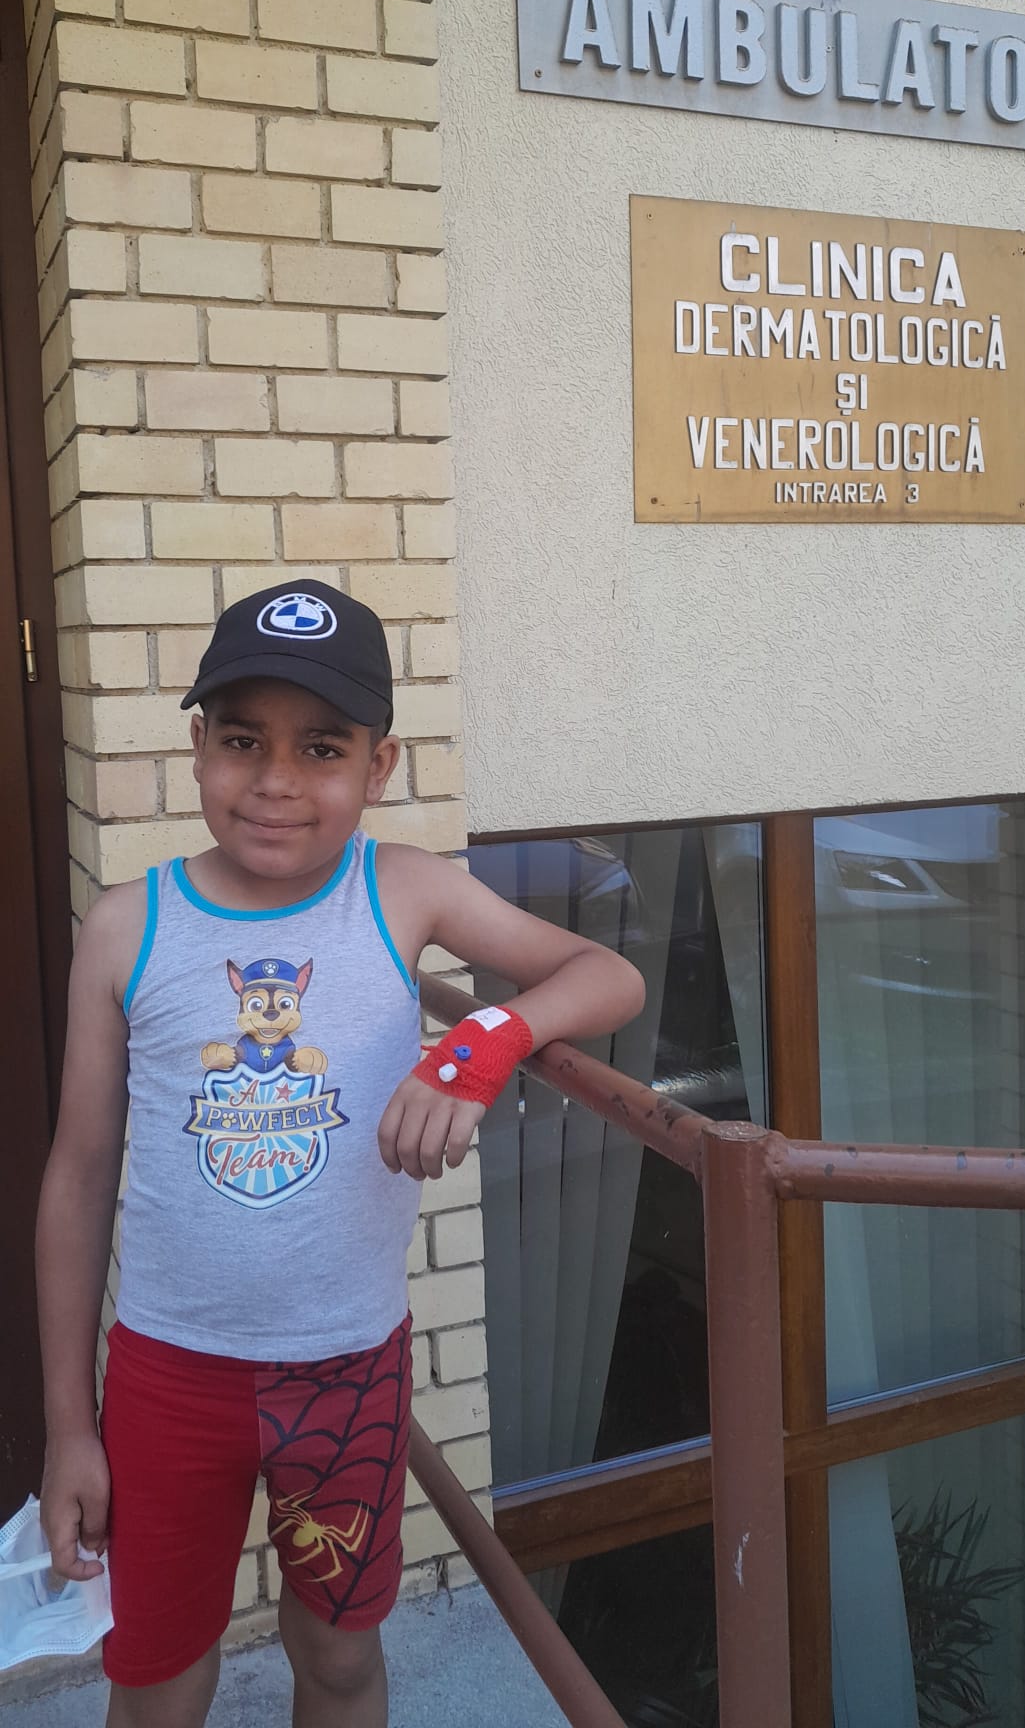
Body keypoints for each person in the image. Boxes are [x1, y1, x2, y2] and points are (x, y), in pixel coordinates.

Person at [35, 580, 645, 1728]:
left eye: (321, 747)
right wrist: (71, 1425)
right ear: (198, 748)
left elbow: (608, 976)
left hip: (348, 1371)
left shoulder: (404, 890)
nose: (275, 779)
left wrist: (481, 1044)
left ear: (379, 766)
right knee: (158, 1677)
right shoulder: (126, 926)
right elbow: (76, 1178)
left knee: (343, 1659)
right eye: (241, 740)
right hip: (169, 1374)